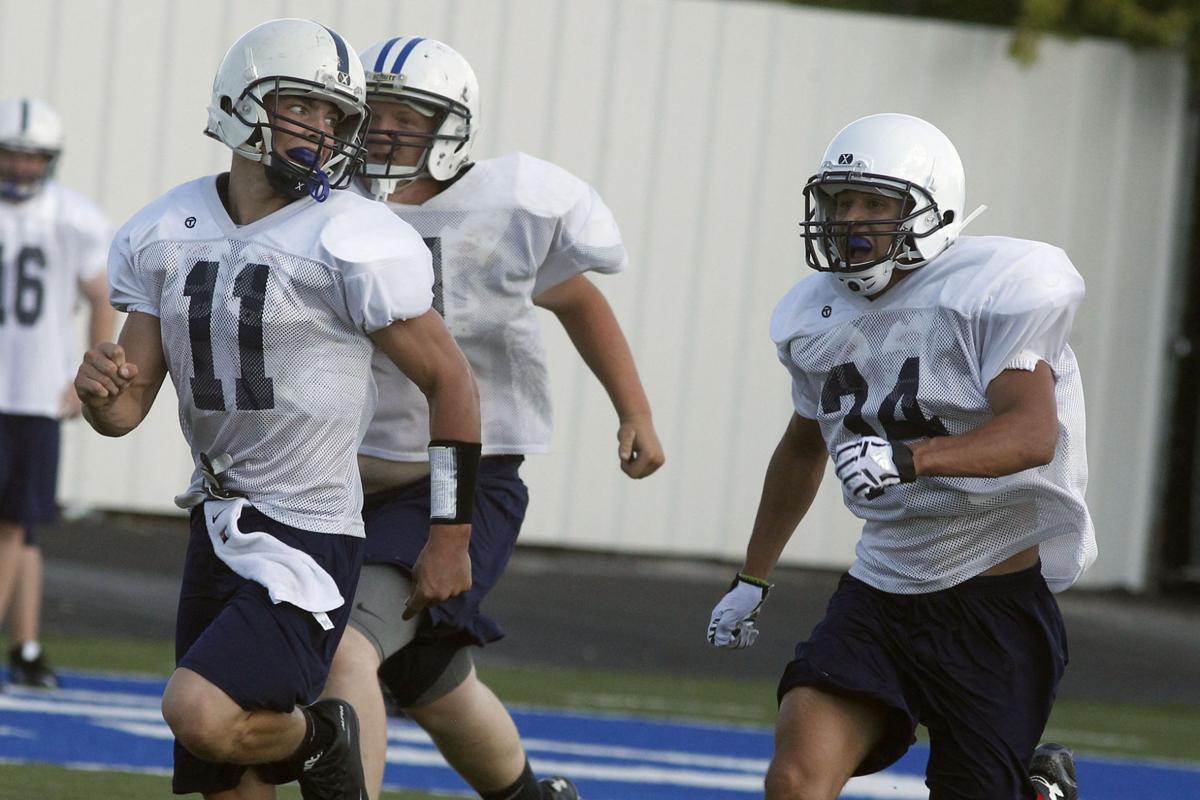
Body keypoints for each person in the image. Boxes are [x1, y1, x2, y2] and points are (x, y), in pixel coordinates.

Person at [73, 18, 481, 800]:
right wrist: (98, 392)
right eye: (305, 106)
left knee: (196, 709)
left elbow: (451, 381)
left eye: (336, 117)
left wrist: (451, 530)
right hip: (217, 525)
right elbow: (125, 410)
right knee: (226, 782)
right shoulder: (169, 227)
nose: (322, 130)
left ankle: (326, 733)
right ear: (242, 99)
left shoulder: (354, 235)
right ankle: (312, 738)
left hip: (308, 530)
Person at [706, 113, 1091, 800]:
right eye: (840, 201)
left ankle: (1037, 789)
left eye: (875, 204)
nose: (850, 220)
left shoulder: (985, 294)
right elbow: (802, 447)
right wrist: (752, 576)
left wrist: (915, 459)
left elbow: (1034, 431)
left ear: (930, 212)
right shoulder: (812, 316)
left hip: (991, 601)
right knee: (795, 782)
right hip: (880, 591)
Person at [319, 36, 665, 800]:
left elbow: (579, 301)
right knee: (431, 681)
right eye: (376, 113)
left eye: (408, 116)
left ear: (452, 126)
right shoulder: (335, 201)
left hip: (460, 478)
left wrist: (632, 410)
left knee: (346, 653)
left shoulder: (509, 204)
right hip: (346, 476)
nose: (384, 131)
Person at [0, 96, 114, 690]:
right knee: (19, 528)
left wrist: (85, 373)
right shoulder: (74, 216)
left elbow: (102, 296)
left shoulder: (74, 217)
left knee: (19, 526)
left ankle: (26, 645)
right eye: (12, 157)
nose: (21, 169)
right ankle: (25, 646)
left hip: (32, 391)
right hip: (21, 390)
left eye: (31, 158)